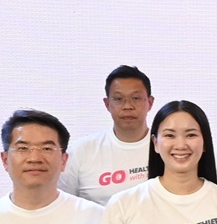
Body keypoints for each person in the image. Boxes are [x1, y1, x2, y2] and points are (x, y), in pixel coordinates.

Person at [57, 65, 155, 203]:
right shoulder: (80, 151)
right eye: (118, 99)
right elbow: (62, 203)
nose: (127, 106)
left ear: (150, 103)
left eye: (136, 98)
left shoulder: (166, 148)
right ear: (107, 104)